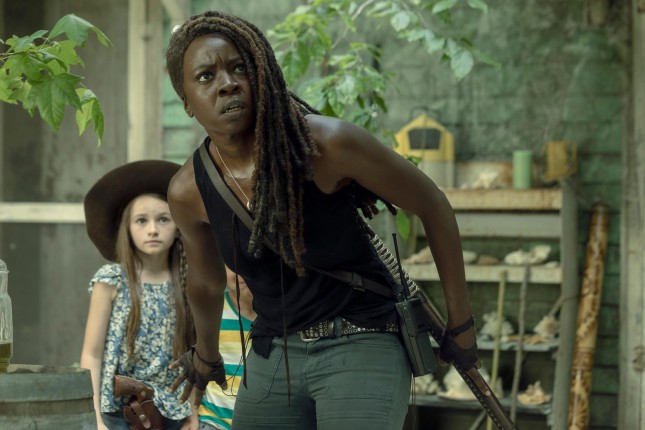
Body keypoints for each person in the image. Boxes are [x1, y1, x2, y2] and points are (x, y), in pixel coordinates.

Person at [165, 10, 486, 430]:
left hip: (362, 335)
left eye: (239, 68)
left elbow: (433, 204)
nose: (227, 83)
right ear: (187, 102)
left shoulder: (326, 145)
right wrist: (206, 357)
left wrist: (461, 325)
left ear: (261, 74)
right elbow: (206, 283)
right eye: (206, 77)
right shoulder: (188, 190)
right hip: (274, 350)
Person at [80, 160, 197, 430]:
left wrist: (192, 410)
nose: (153, 229)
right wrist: (94, 417)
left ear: (178, 227)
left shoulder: (188, 282)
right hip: (116, 412)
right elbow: (92, 354)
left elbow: (194, 355)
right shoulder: (111, 280)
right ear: (128, 228)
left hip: (172, 411)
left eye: (163, 219)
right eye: (141, 220)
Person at [198, 267, 255, 430]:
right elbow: (196, 367)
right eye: (231, 264)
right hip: (214, 420)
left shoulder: (281, 317)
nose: (240, 270)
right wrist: (192, 414)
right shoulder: (212, 310)